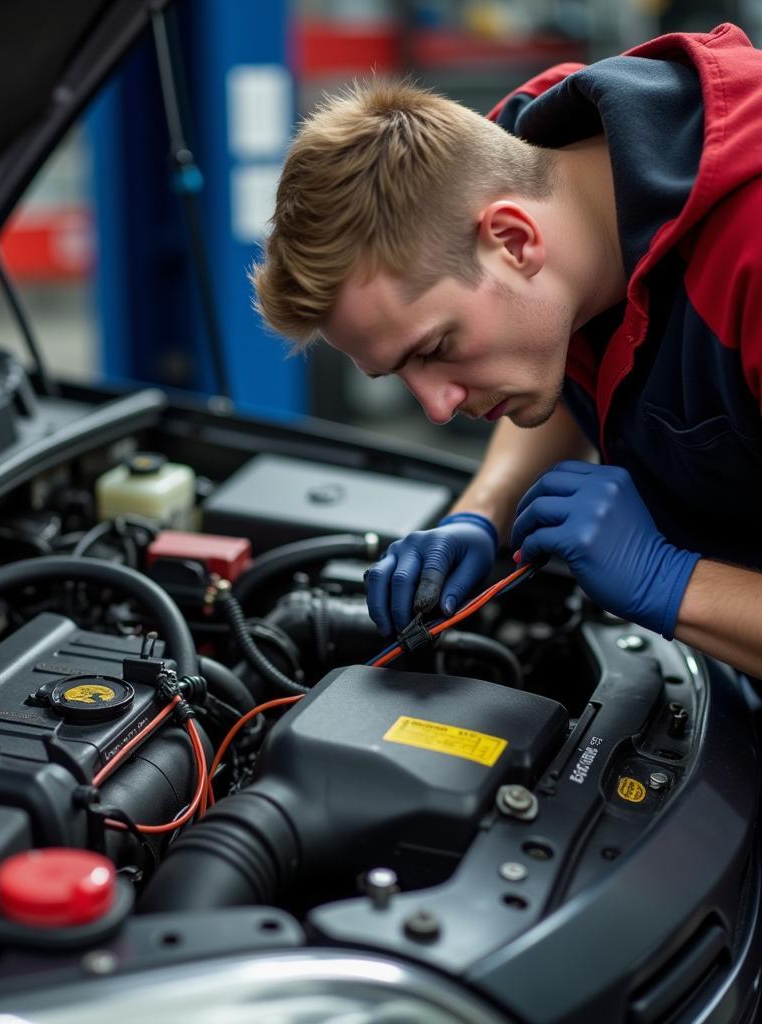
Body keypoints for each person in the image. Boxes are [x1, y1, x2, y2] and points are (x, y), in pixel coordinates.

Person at [251, 23, 762, 678]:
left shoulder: (748, 256)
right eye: (397, 373)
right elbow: (562, 348)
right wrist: (483, 514)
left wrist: (670, 581)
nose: (436, 407)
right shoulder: (540, 176)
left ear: (514, 241)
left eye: (436, 346)